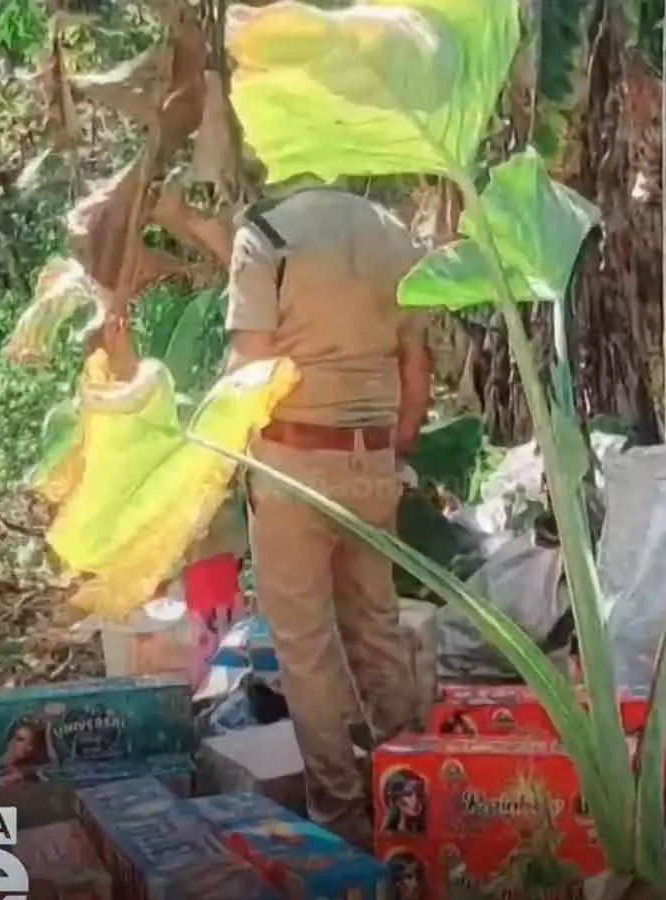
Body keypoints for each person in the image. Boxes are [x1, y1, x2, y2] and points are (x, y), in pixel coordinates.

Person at [225, 185, 431, 850]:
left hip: (292, 461)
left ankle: (342, 822)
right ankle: (417, 805)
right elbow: (416, 364)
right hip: (372, 460)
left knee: (307, 651)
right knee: (377, 629)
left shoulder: (266, 235)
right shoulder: (392, 233)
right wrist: (394, 446)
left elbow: (249, 369)